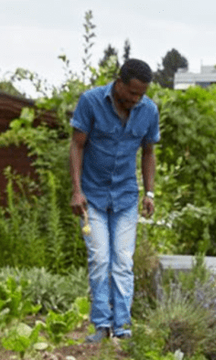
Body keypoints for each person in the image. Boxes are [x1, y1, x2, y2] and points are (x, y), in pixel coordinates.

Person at [69, 59, 159, 342]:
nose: (136, 99)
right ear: (118, 82)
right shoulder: (91, 101)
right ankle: (101, 326)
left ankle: (122, 328)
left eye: (141, 94)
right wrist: (76, 190)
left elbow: (148, 152)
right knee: (99, 258)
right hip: (92, 196)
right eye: (132, 92)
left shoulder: (149, 111)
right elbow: (77, 145)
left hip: (126, 197)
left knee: (123, 261)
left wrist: (149, 192)